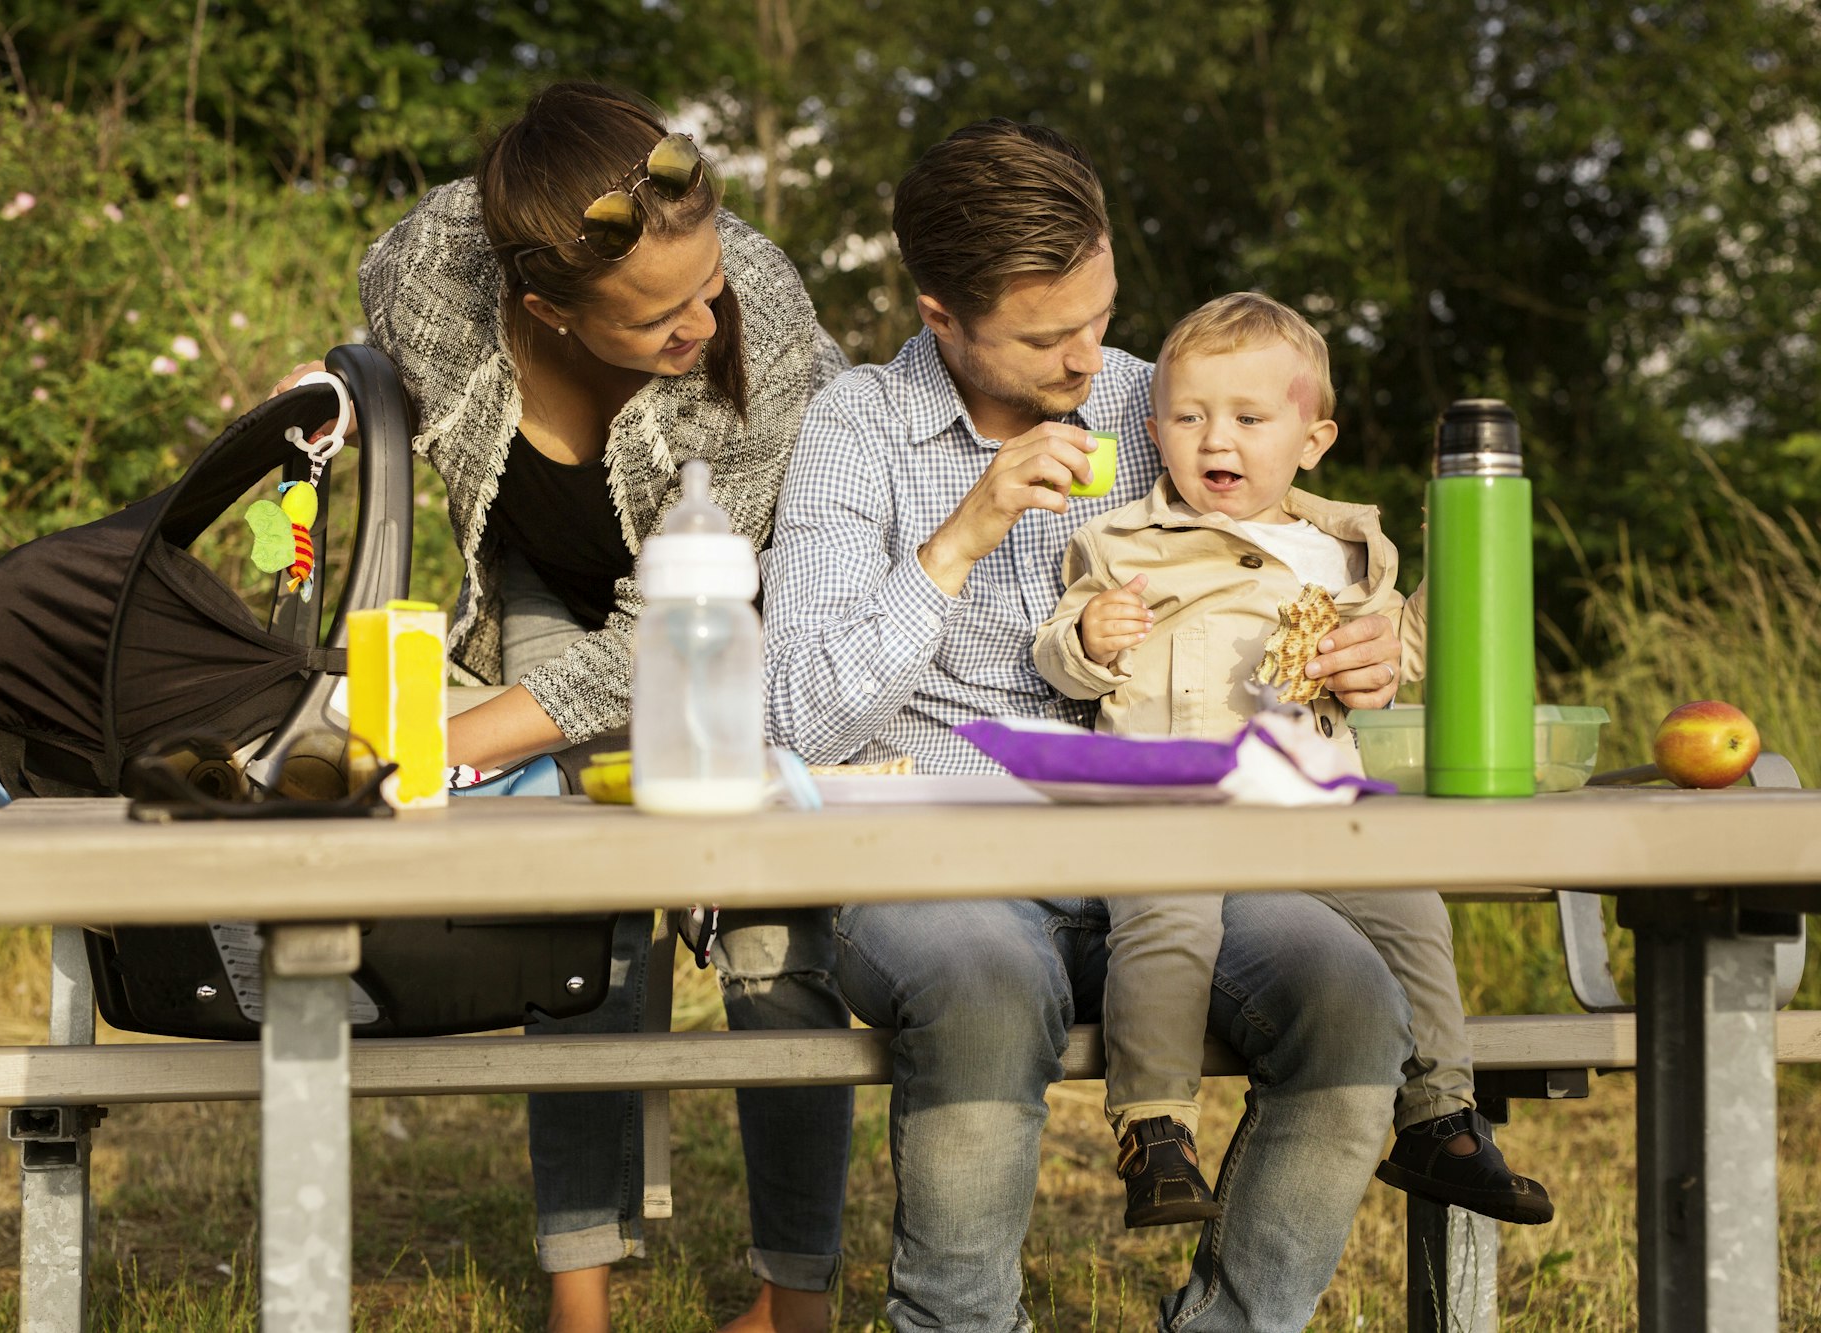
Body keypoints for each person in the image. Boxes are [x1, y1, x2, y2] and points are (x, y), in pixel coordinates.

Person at [761, 118, 1414, 1332]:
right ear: (941, 316)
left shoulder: (1164, 406)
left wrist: (1364, 646)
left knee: (1350, 993)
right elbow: (794, 716)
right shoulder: (856, 429)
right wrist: (956, 540)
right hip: (933, 860)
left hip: (1173, 856)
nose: (1089, 357)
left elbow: (1300, 577)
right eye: (1046, 335)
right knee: (985, 980)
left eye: (1099, 312)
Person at [283, 83, 855, 1333]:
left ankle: (792, 1299)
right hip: (546, 573)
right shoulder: (432, 270)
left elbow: (669, 633)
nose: (705, 320)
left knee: (771, 931)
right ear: (544, 306)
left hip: (727, 601)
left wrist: (432, 747)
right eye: (659, 314)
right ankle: (579, 1296)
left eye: (708, 286)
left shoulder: (765, 323)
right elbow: (387, 359)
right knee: (579, 909)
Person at [1032, 291, 1554, 1231]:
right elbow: (1060, 651)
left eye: (1246, 417)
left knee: (1410, 909)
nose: (1213, 439)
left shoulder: (1347, 557)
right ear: (1156, 431)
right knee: (1164, 919)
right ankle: (1155, 1129)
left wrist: (1390, 647)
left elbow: (1408, 663)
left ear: (1313, 439)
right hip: (1171, 805)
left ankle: (1440, 1118)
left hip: (1312, 807)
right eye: (1188, 417)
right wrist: (1092, 637)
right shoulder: (1122, 543)